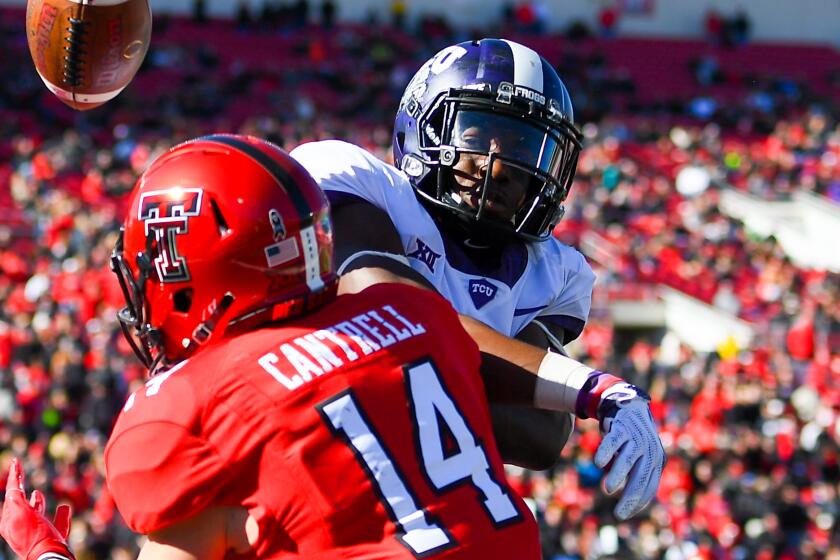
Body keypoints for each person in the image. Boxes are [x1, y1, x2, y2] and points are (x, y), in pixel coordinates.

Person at [3, 134, 545, 559]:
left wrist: (44, 550)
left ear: (201, 275)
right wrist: (595, 390)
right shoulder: (411, 313)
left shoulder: (195, 402)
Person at [290, 38, 665, 519]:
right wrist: (590, 387)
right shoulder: (360, 183)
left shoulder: (553, 272)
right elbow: (394, 318)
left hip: (412, 513)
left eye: (527, 146)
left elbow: (540, 432)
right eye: (479, 133)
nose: (503, 163)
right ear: (425, 125)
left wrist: (401, 378)